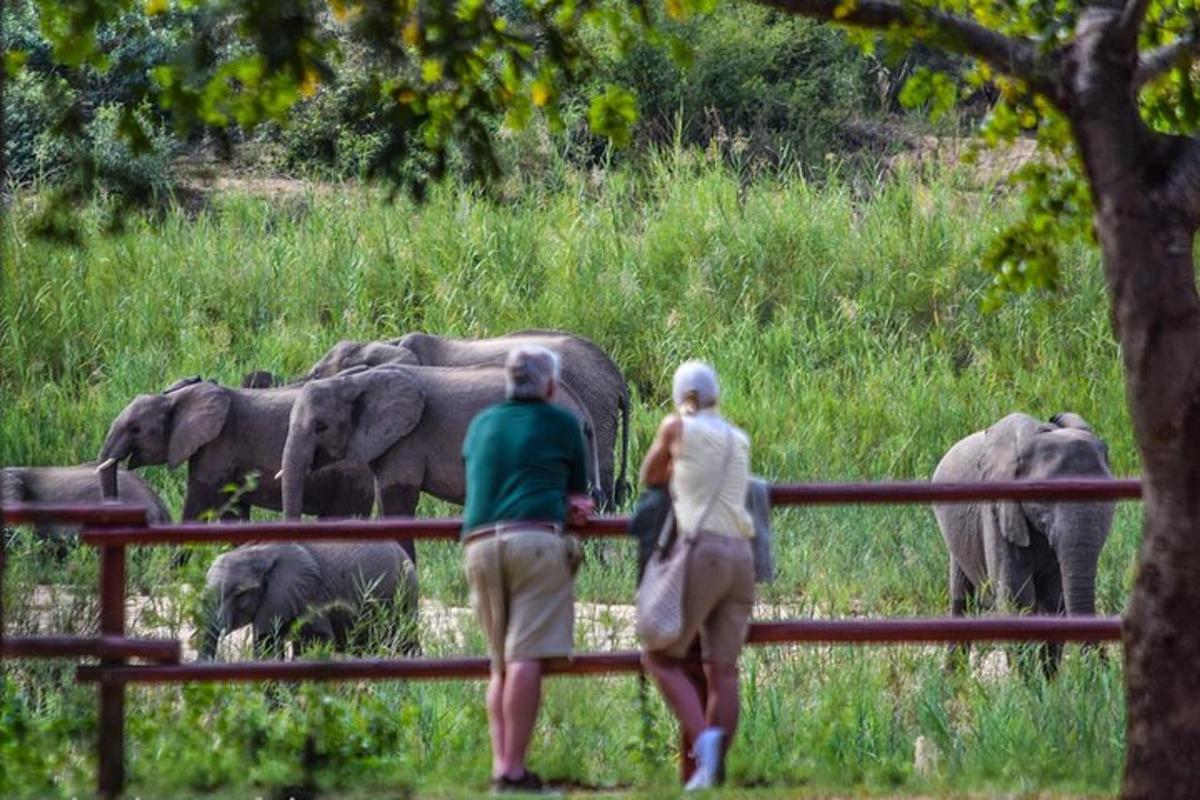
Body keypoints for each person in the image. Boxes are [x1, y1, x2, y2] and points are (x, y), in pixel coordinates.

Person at [461, 344, 595, 793]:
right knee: (524, 659)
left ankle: (504, 768)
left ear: (507, 382)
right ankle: (514, 773)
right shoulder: (563, 423)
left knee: (499, 663)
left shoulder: (481, 424)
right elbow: (578, 496)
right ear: (552, 386)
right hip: (535, 543)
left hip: (479, 546)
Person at [639, 360, 755, 791]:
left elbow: (649, 474)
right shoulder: (738, 439)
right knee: (723, 670)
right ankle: (713, 770)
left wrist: (674, 469)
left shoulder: (676, 428)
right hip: (741, 557)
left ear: (680, 396)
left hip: (702, 551)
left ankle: (704, 746)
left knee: (661, 656)